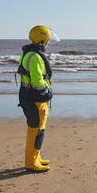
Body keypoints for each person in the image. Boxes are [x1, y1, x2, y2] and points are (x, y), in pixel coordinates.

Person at [17, 26, 58, 172]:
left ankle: (36, 157)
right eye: (47, 41)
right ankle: (31, 163)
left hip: (28, 97)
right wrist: (46, 92)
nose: (47, 43)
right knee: (35, 130)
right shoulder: (35, 57)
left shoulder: (27, 53)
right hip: (35, 99)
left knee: (38, 129)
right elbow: (36, 81)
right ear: (42, 41)